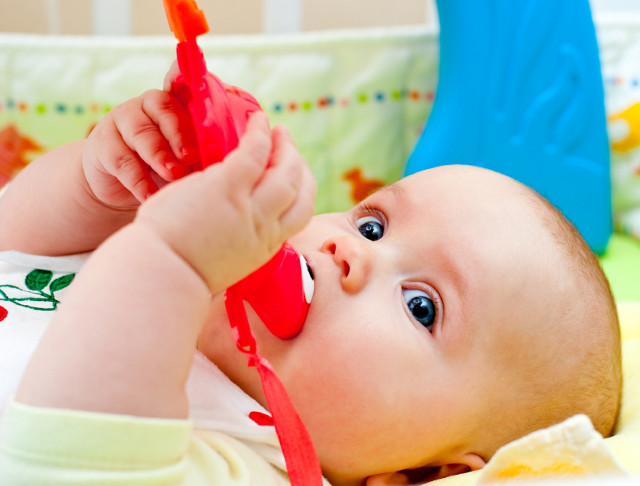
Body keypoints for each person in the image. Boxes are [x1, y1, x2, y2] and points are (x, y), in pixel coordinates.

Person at [0, 66, 621, 486]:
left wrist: (171, 261)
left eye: (421, 306)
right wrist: (96, 187)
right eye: (372, 224)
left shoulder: (256, 463)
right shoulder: (171, 286)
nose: (351, 252)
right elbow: (17, 249)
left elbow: (70, 462)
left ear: (425, 475)